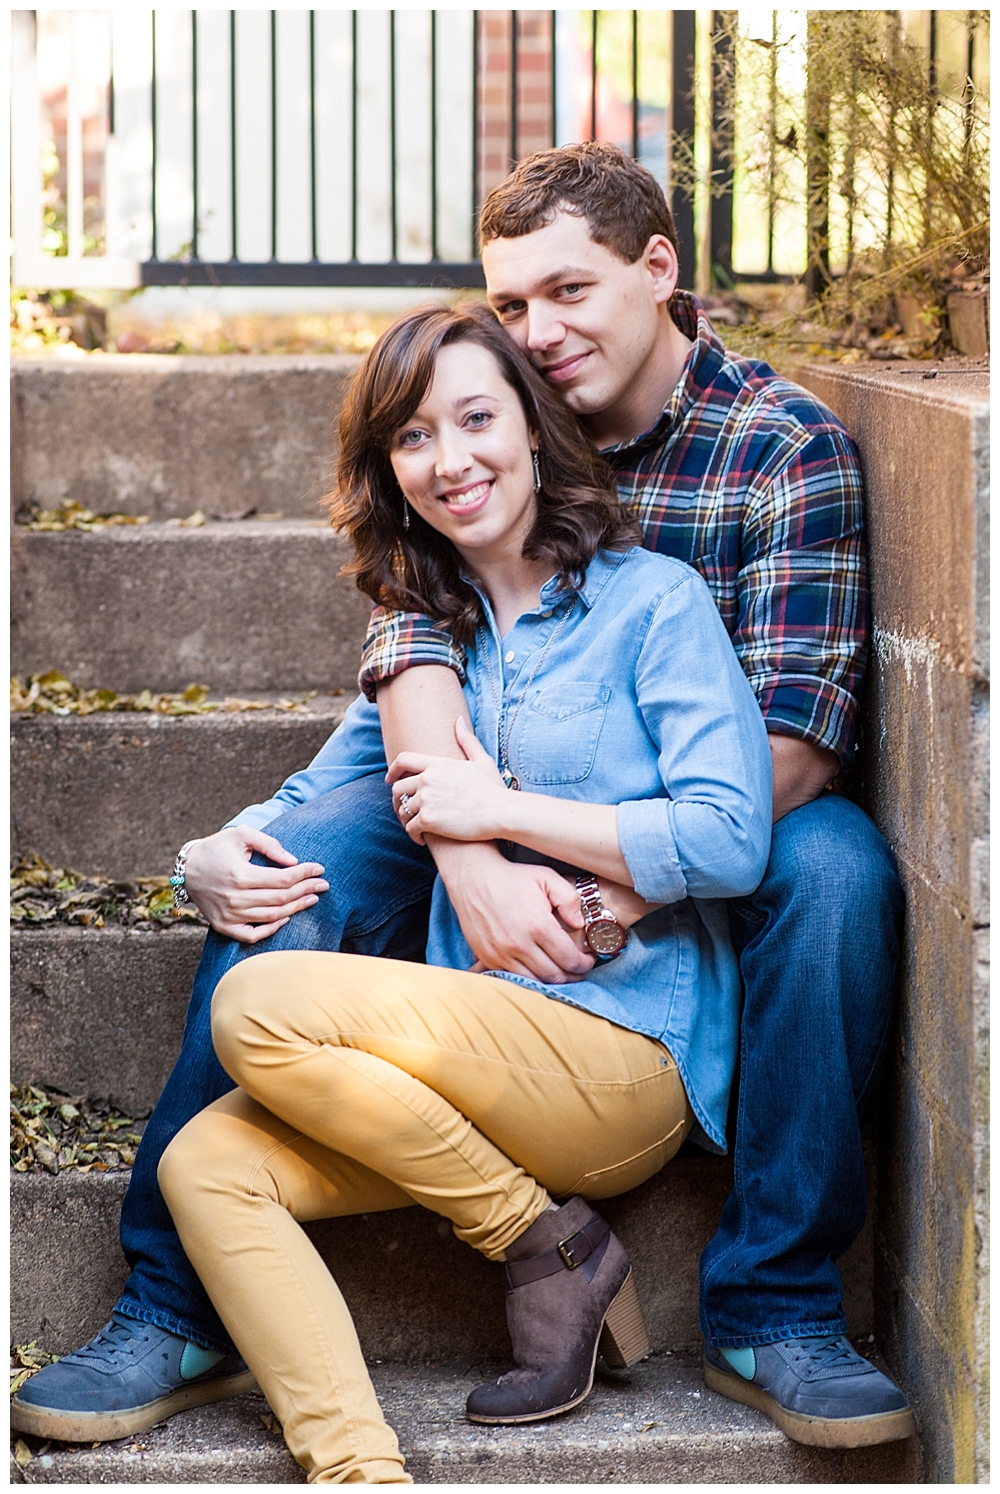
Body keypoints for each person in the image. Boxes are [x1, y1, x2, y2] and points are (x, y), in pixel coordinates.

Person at [12, 142, 911, 1451]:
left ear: (659, 271)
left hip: (692, 804)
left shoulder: (781, 453)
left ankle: (776, 1303)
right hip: (476, 781)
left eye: (569, 293)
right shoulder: (477, 421)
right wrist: (441, 850)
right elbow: (409, 635)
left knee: (834, 867)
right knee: (303, 850)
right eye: (513, 305)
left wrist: (595, 872)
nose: (537, 334)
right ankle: (179, 1299)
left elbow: (792, 744)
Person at [152, 300, 776, 1482]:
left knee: (258, 1009)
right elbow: (310, 796)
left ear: (535, 431)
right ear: (387, 470)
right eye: (413, 438)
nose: (451, 461)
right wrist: (211, 852)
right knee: (205, 1165)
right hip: (453, 1078)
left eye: (476, 419)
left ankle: (542, 1241)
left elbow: (732, 834)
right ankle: (359, 1465)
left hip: (621, 1050)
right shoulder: (424, 645)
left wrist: (501, 813)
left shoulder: (652, 604)